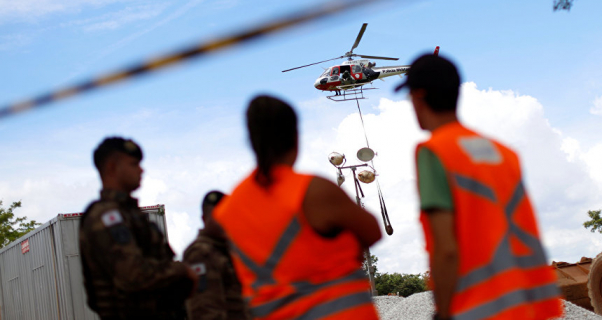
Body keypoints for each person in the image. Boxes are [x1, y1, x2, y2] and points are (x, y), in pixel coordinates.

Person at [395, 55, 563, 320]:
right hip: (530, 306)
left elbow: (446, 249)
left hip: (479, 308)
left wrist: (444, 313)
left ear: (418, 97)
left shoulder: (434, 152)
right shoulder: (504, 153)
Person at [213, 95, 382, 320]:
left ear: (252, 141)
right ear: (295, 137)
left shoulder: (228, 211)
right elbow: (372, 231)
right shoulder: (312, 190)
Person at [79, 137, 196, 320]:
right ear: (111, 167)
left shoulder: (130, 213)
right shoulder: (106, 216)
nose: (141, 170)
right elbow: (132, 274)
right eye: (134, 164)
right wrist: (182, 271)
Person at [184, 190, 249, 320]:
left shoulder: (231, 251)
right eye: (217, 215)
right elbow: (205, 311)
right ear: (204, 218)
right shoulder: (201, 253)